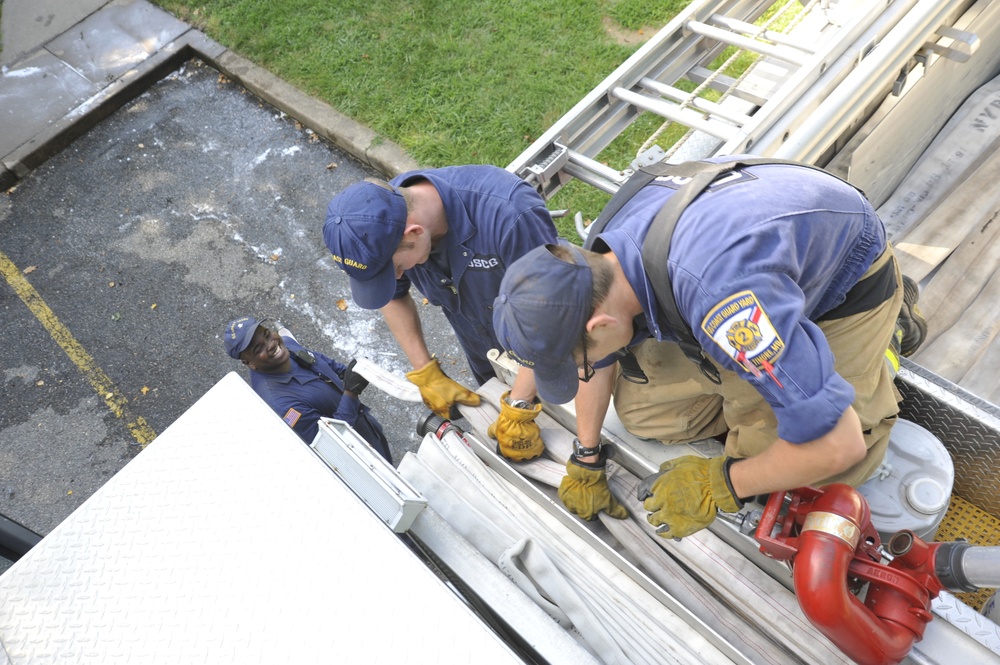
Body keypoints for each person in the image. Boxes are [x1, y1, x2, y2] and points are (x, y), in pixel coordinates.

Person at [493, 156, 926, 539]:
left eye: (579, 365)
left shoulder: (724, 304)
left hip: (843, 285)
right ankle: (769, 388)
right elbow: (601, 353)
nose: (584, 372)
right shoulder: (592, 264)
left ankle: (890, 333)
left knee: (813, 469)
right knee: (645, 415)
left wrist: (723, 484)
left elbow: (838, 444)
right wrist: (586, 456)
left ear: (600, 322)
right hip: (743, 270)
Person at [322, 165, 559, 461]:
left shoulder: (510, 214)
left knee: (565, 427)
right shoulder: (384, 215)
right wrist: (426, 372)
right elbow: (392, 297)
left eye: (396, 268)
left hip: (553, 352)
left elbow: (552, 320)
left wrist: (519, 407)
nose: (397, 277)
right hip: (484, 351)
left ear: (416, 233)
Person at [222, 315, 393, 463]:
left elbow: (320, 360)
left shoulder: (288, 346)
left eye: (267, 335)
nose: (271, 344)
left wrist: (350, 372)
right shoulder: (284, 406)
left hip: (365, 425)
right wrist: (351, 392)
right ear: (250, 363)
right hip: (357, 456)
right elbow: (331, 442)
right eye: (259, 348)